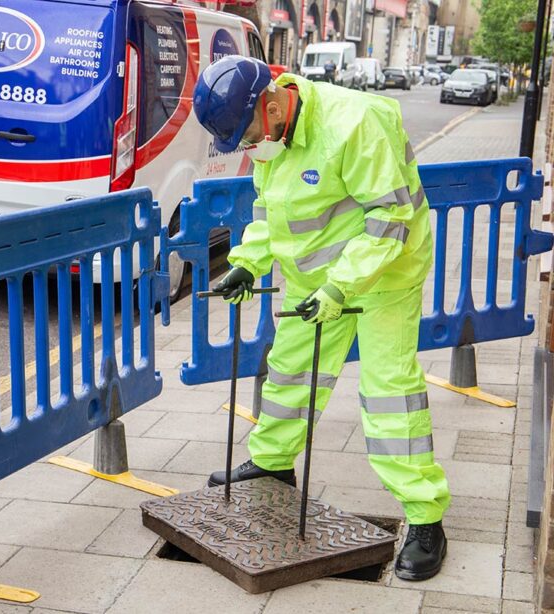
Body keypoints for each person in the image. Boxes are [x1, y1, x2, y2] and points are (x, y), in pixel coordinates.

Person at [192, 55, 451, 581]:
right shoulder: (269, 135)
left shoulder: (353, 123)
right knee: (289, 369)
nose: (246, 148)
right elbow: (271, 212)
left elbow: (391, 216)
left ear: (271, 102)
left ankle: (426, 518)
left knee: (387, 391)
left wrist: (342, 286)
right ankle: (272, 463)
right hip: (319, 274)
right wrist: (247, 261)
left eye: (245, 136)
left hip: (386, 272)